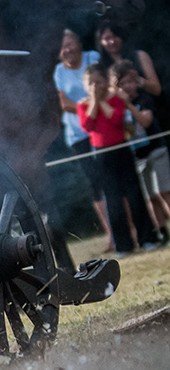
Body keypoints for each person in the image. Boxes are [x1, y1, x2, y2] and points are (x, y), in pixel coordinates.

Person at [77, 63, 158, 256]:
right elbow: (87, 126)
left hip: (121, 150)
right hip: (101, 155)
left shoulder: (116, 99)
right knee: (112, 201)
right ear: (85, 85)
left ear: (105, 82)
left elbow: (116, 120)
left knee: (134, 195)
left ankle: (147, 238)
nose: (95, 86)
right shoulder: (83, 104)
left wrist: (102, 100)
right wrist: (94, 101)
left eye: (99, 81)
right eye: (91, 83)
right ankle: (123, 245)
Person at [53, 29, 113, 250]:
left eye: (70, 43)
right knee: (95, 185)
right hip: (78, 135)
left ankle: (129, 229)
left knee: (114, 180)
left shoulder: (93, 58)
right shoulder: (58, 72)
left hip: (105, 129)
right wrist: (92, 104)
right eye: (62, 47)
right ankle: (111, 234)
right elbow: (63, 104)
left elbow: (107, 87)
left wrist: (86, 106)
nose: (67, 50)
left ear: (79, 42)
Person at [110, 59, 170, 244]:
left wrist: (128, 105)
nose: (128, 86)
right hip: (137, 155)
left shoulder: (143, 99)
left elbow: (145, 122)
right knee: (150, 197)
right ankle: (162, 233)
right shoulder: (115, 104)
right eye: (123, 83)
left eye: (131, 81)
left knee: (165, 192)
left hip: (156, 150)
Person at [96, 20, 161, 97]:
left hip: (146, 105)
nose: (112, 41)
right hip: (119, 107)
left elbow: (157, 89)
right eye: (107, 38)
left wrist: (138, 80)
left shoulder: (139, 56)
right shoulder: (100, 66)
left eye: (115, 36)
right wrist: (113, 88)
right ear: (101, 42)